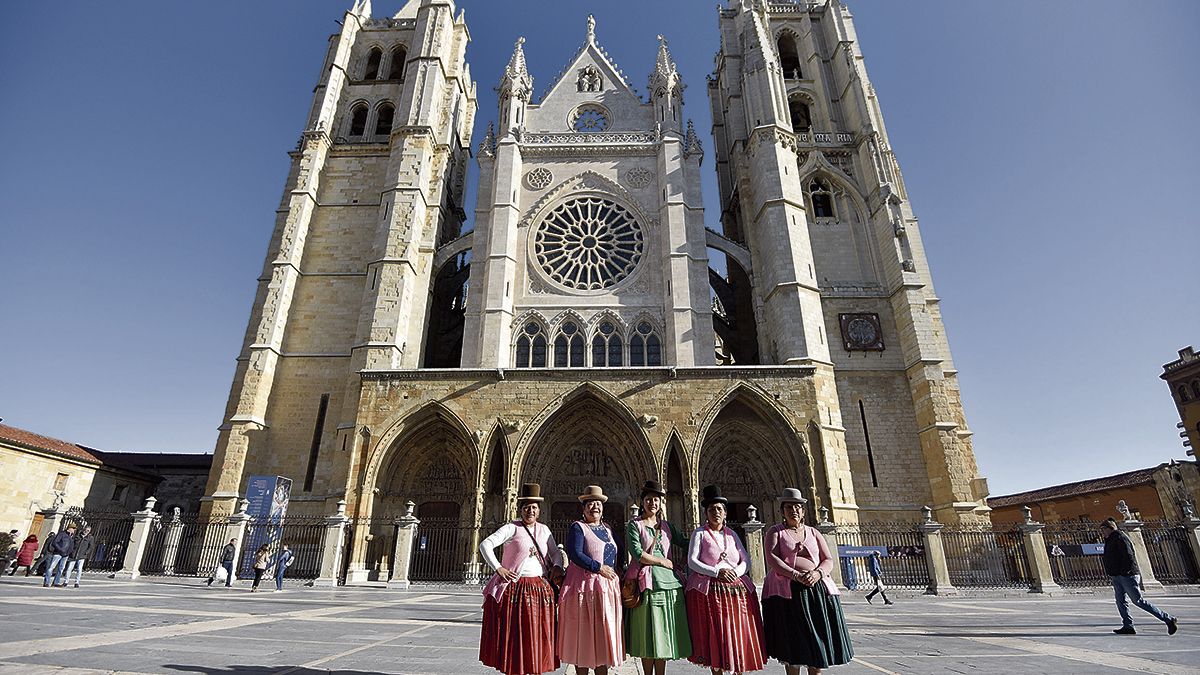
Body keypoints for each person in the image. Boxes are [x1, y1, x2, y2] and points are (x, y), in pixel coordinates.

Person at [762, 489, 853, 674]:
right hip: (788, 594)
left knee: (817, 638)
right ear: (782, 511)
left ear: (803, 511)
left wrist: (818, 574)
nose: (793, 510)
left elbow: (828, 559)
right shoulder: (775, 532)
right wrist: (795, 574)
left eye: (797, 507)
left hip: (815, 592)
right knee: (792, 641)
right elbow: (772, 558)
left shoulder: (813, 532)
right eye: (788, 507)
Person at [478, 482, 563, 675]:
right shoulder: (512, 528)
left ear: (539, 511)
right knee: (516, 635)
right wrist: (498, 568)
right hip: (516, 589)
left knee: (536, 634)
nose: (530, 511)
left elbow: (555, 552)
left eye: (534, 507)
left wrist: (557, 566)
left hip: (539, 589)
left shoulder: (544, 530)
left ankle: (533, 668)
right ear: (520, 509)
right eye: (526, 507)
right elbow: (486, 544)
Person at [686, 485, 765, 675]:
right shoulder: (700, 534)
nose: (716, 513)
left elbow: (745, 559)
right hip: (711, 593)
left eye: (719, 509)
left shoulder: (732, 535)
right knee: (717, 635)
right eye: (711, 509)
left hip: (736, 593)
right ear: (705, 513)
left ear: (725, 513)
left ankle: (737, 668)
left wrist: (736, 573)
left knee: (736, 633)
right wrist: (716, 572)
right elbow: (692, 561)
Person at [625, 480, 692, 674]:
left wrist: (702, 543)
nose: (652, 503)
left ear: (661, 503)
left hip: (669, 584)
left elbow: (686, 542)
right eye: (648, 499)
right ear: (642, 502)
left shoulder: (668, 527)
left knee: (662, 634)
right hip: (646, 583)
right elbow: (637, 553)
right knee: (647, 633)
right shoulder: (634, 525)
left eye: (656, 500)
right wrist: (661, 561)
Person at [559, 485, 623, 675]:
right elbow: (575, 553)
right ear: (583, 508)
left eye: (598, 503)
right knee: (584, 637)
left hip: (607, 591)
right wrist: (599, 567)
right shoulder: (578, 527)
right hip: (584, 589)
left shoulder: (608, 529)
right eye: (590, 503)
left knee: (602, 637)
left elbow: (622, 551)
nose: (594, 506)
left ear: (603, 508)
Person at [1100, 518, 1179, 635]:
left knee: (1138, 601)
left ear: (1110, 528)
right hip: (1116, 575)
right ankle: (1128, 626)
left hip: (1127, 575)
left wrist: (1124, 572)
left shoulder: (1120, 537)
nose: (1102, 532)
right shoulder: (1110, 540)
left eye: (1103, 529)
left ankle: (1168, 619)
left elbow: (1128, 556)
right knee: (1120, 601)